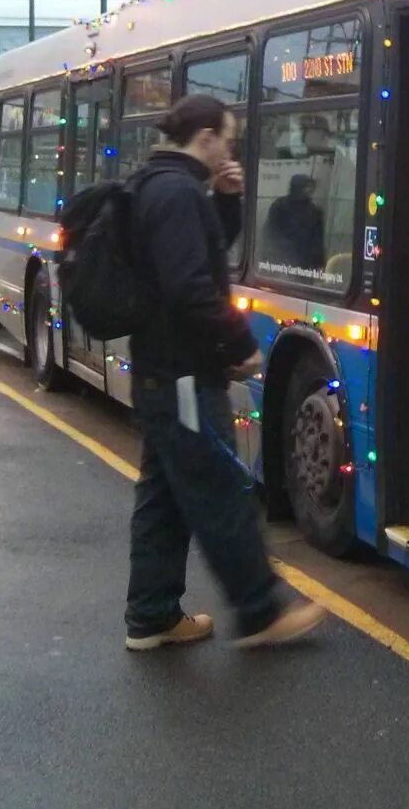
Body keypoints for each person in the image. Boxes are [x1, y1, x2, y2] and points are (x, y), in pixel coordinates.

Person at [124, 94, 325, 651]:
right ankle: (260, 612)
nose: (230, 149)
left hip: (164, 372)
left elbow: (202, 254)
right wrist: (240, 344)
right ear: (206, 137)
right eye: (228, 139)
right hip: (186, 376)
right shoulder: (177, 192)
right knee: (221, 489)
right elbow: (193, 286)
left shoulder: (162, 185)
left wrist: (229, 200)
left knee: (164, 497)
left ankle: (151, 615)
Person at [265, 172, 326, 271]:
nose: (310, 190)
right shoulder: (280, 206)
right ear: (297, 187)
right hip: (280, 263)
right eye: (306, 187)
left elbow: (317, 241)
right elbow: (270, 234)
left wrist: (319, 264)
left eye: (311, 187)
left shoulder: (315, 211)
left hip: (305, 266)